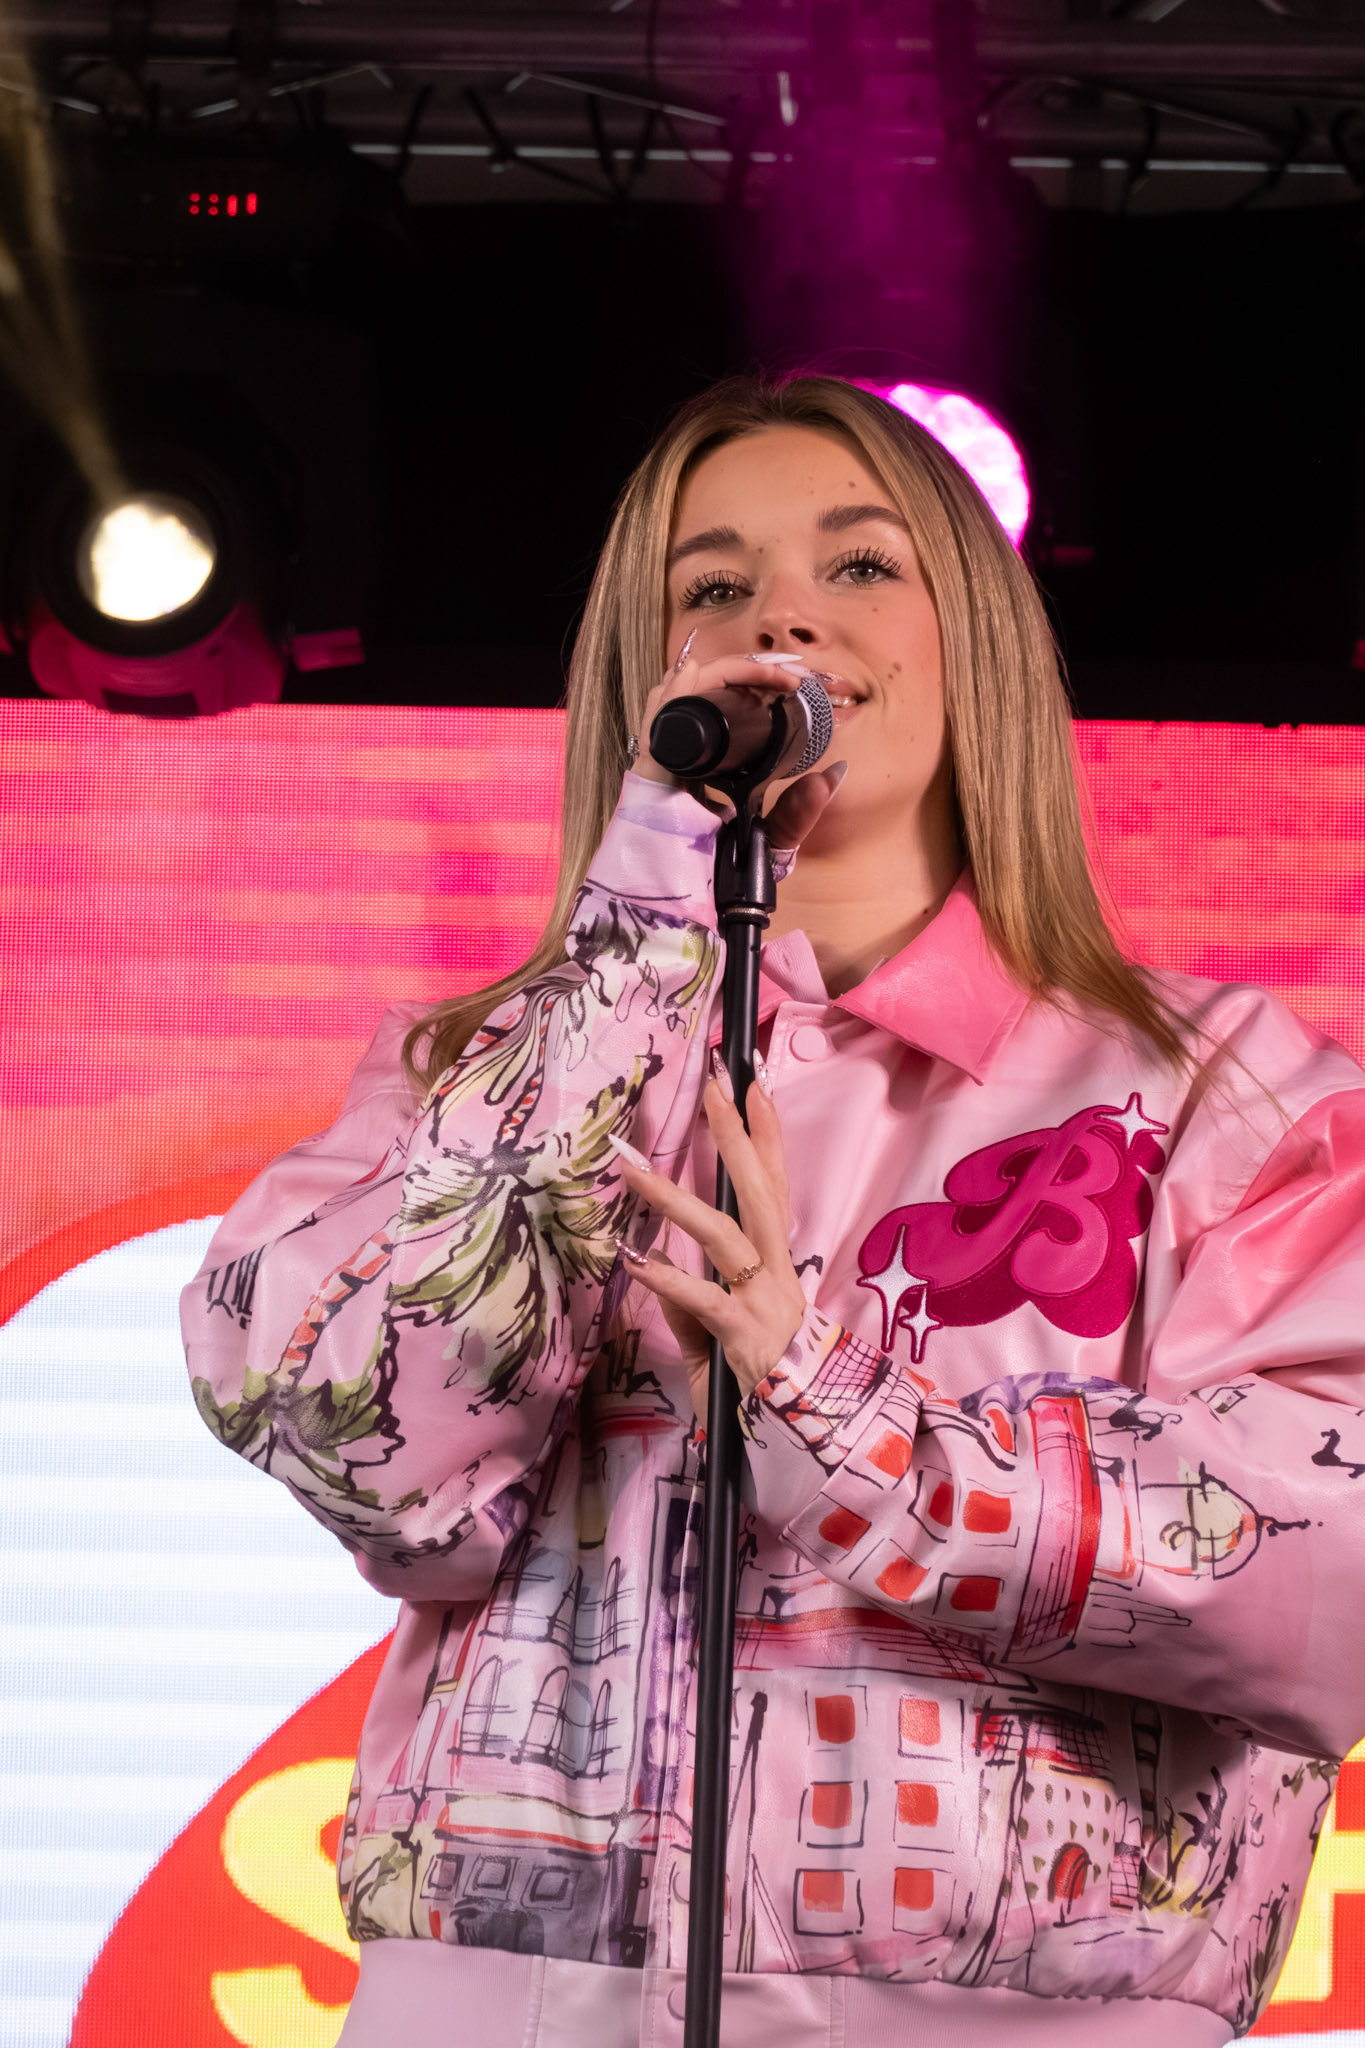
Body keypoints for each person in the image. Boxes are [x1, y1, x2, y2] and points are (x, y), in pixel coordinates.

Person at [181, 374, 1365, 2048]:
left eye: (860, 566)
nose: (780, 618)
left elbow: (1320, 1575)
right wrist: (626, 949)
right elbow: (350, 1438)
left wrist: (847, 1425)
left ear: (977, 642)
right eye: (714, 584)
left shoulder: (1221, 1093)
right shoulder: (477, 1069)